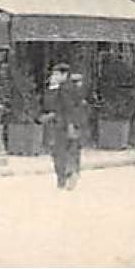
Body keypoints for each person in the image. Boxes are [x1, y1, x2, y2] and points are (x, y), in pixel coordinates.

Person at [41, 62, 89, 190]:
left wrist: (52, 88)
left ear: (64, 74)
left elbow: (54, 106)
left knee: (59, 152)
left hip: (62, 124)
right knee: (72, 150)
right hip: (73, 124)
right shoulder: (74, 87)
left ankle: (63, 177)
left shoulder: (62, 89)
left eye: (56, 74)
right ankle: (72, 171)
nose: (53, 76)